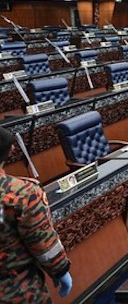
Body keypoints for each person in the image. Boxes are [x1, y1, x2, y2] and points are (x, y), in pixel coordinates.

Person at [0, 127, 73, 302]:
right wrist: (60, 270)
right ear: (10, 150)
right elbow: (43, 245)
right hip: (16, 290)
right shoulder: (22, 193)